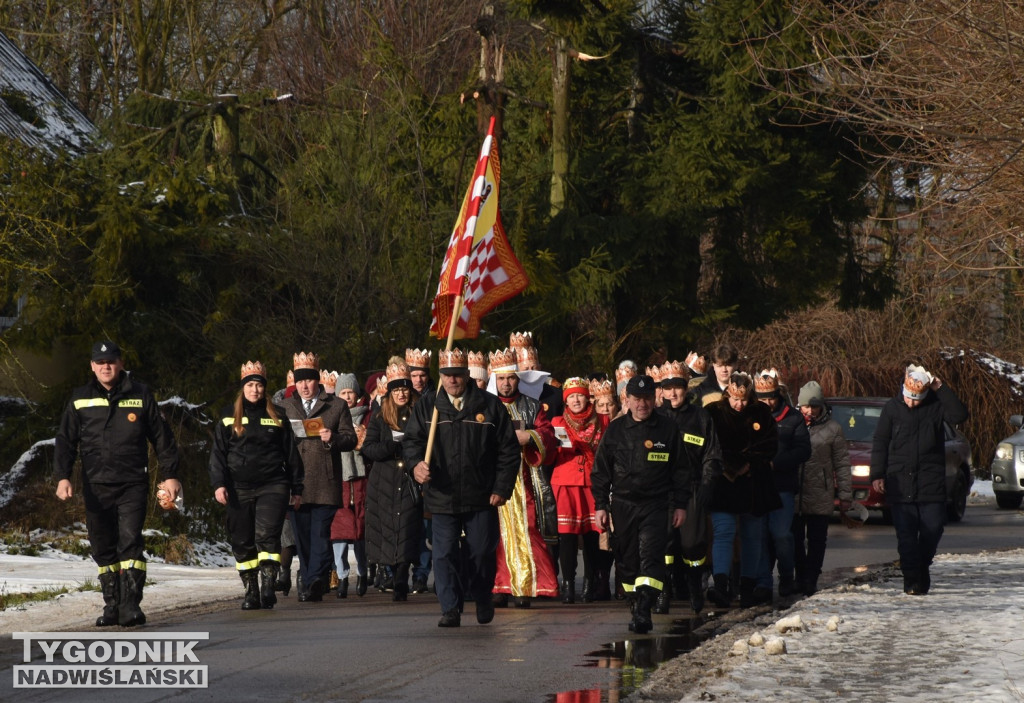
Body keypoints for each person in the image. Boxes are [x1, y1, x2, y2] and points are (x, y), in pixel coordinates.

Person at [55, 340, 181, 627]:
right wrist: (62, 477)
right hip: (96, 485)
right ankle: (111, 605)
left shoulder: (140, 394)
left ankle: (130, 606)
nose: (106, 367)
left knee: (130, 541)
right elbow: (65, 442)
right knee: (102, 546)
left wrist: (170, 474)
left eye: (110, 361)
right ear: (92, 366)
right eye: (100, 363)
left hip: (132, 483)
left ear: (120, 363)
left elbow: (162, 438)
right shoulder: (80, 398)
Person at [404, 348, 520, 628]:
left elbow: (508, 450)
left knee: (480, 551)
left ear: (467, 375)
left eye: (457, 375)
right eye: (447, 376)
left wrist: (501, 487)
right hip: (442, 495)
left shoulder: (490, 406)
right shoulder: (427, 405)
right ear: (440, 376)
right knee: (443, 554)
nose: (452, 381)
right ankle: (450, 608)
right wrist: (416, 465)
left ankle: (481, 595)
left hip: (481, 495)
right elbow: (411, 442)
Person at [592, 374, 691, 634]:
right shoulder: (615, 430)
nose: (642, 404)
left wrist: (680, 505)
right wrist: (601, 505)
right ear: (628, 400)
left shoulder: (668, 429)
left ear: (654, 400)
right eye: (637, 399)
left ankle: (645, 607)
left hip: (656, 505)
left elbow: (681, 471)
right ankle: (635, 603)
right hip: (623, 504)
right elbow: (601, 470)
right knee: (626, 559)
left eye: (647, 398)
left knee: (651, 556)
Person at [209, 360, 303, 610]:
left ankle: (268, 583)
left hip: (273, 485)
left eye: (259, 385)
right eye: (250, 385)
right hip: (238, 487)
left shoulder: (278, 415)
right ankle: (251, 589)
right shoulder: (228, 416)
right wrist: (219, 484)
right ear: (243, 388)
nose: (255, 390)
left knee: (267, 535)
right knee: (242, 540)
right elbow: (218, 454)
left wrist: (297, 488)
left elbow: (292, 455)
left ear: (265, 388)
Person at [870, 364, 968, 595]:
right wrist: (877, 474)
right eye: (909, 398)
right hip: (899, 482)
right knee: (906, 537)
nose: (912, 402)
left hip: (930, 482)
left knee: (933, 529)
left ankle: (921, 567)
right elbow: (881, 441)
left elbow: (959, 415)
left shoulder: (935, 407)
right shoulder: (892, 409)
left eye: (917, 399)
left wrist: (940, 388)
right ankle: (912, 580)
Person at [488, 348, 560, 607]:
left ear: (518, 379)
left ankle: (527, 586)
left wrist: (530, 437)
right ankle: (500, 585)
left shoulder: (531, 406)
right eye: (501, 379)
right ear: (494, 380)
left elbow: (548, 434)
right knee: (495, 534)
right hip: (492, 479)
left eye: (511, 378)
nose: (506, 383)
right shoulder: (485, 407)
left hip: (525, 479)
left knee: (528, 529)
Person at [283, 352, 357, 602]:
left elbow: (351, 439)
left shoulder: (336, 405)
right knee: (302, 536)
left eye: (309, 380)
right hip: (296, 482)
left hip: (325, 481)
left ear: (318, 381)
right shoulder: (284, 407)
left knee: (320, 534)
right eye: (300, 381)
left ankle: (315, 579)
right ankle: (309, 578)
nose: (304, 386)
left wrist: (333, 438)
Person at [704, 371, 780, 608]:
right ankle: (721, 584)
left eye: (744, 400)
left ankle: (747, 586)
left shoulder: (761, 412)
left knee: (752, 535)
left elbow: (770, 445)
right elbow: (710, 446)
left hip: (754, 481)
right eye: (735, 399)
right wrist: (732, 465)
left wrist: (749, 462)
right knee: (724, 531)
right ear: (727, 394)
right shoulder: (713, 413)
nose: (739, 404)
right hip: (722, 482)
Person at [657, 360, 723, 614]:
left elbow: (712, 455)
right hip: (662, 491)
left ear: (687, 389)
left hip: (693, 488)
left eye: (678, 387)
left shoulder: (701, 417)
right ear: (661, 390)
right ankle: (664, 592)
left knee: (693, 544)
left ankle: (695, 586)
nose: (673, 393)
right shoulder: (656, 417)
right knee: (665, 544)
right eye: (668, 387)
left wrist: (707, 484)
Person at [361, 361, 423, 601]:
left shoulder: (419, 412)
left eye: (404, 389)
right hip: (384, 481)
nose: (401, 394)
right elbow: (369, 449)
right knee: (387, 529)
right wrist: (391, 446)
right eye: (396, 390)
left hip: (408, 480)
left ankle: (402, 576)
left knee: (407, 527)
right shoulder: (379, 416)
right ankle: (391, 571)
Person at [549, 377, 609, 604]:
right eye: (571, 396)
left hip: (593, 484)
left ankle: (590, 583)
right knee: (567, 537)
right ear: (565, 400)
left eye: (580, 395)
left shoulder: (603, 421)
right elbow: (549, 455)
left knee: (592, 536)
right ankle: (569, 585)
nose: (576, 400)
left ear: (588, 397)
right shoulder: (557, 422)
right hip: (565, 482)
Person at [754, 368, 810, 601]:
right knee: (758, 536)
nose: (767, 403)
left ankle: (787, 575)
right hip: (756, 485)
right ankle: (763, 582)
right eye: (762, 399)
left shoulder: (792, 418)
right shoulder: (751, 416)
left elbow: (803, 450)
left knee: (781, 535)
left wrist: (776, 463)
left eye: (771, 398)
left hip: (782, 486)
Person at [794, 380, 853, 595]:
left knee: (817, 540)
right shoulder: (792, 423)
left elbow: (842, 463)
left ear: (822, 406)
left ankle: (811, 577)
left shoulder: (833, 429)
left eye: (814, 406)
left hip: (820, 491)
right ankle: (799, 576)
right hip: (795, 494)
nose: (809, 411)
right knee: (795, 539)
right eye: (805, 407)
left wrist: (845, 495)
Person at [330, 372, 369, 597]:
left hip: (361, 478)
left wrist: (363, 439)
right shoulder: (332, 416)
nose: (347, 397)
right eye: (342, 393)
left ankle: (363, 573)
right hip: (340, 479)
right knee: (340, 532)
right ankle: (342, 575)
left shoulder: (367, 417)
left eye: (350, 392)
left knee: (361, 530)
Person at [405, 347, 434, 594]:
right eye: (414, 375)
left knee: (427, 526)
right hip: (402, 471)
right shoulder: (397, 397)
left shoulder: (435, 398)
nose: (418, 380)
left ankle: (422, 574)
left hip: (426, 468)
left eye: (422, 374)